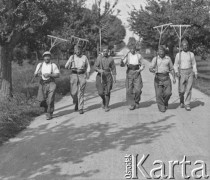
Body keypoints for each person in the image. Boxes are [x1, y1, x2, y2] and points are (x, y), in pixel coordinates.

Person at [149, 46, 176, 113]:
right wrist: (153, 70)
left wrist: (174, 77)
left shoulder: (168, 59)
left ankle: (165, 102)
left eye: (162, 51)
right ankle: (161, 107)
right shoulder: (155, 59)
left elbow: (172, 69)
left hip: (166, 78)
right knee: (158, 94)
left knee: (168, 93)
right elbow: (150, 68)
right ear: (157, 52)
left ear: (164, 51)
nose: (161, 53)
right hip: (158, 79)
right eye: (159, 51)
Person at [34, 51, 60, 120]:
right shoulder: (40, 65)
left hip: (51, 83)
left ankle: (49, 113)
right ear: (43, 57)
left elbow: (57, 75)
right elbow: (35, 75)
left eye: (48, 56)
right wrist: (37, 74)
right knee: (42, 100)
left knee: (50, 99)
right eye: (45, 56)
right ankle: (46, 110)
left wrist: (49, 74)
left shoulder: (53, 65)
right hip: (42, 84)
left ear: (50, 57)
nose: (47, 58)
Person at [65, 45, 90, 114]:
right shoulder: (72, 57)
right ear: (74, 51)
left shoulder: (84, 57)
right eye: (76, 50)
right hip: (74, 75)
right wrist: (70, 62)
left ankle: (81, 107)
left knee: (81, 92)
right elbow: (66, 66)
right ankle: (76, 101)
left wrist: (87, 72)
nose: (78, 51)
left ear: (81, 50)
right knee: (73, 92)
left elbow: (88, 66)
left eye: (79, 50)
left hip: (82, 75)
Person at [174, 40, 198, 111]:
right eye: (184, 45)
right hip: (182, 72)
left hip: (190, 72)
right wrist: (176, 72)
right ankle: (181, 100)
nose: (185, 47)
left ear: (188, 46)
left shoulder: (191, 54)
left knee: (189, 89)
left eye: (186, 45)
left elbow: (194, 64)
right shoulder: (178, 55)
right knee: (181, 90)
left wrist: (195, 72)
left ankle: (187, 104)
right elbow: (175, 65)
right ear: (181, 47)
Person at [120, 46, 145, 110]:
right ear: (129, 49)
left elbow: (143, 64)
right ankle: (132, 103)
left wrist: (140, 70)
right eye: (131, 49)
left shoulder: (139, 56)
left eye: (133, 49)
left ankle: (137, 101)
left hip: (137, 72)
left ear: (135, 49)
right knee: (129, 90)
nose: (132, 50)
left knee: (138, 90)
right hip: (129, 73)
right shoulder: (127, 56)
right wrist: (122, 60)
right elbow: (122, 65)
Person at [94, 46, 117, 112]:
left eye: (106, 51)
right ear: (102, 52)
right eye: (103, 51)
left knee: (107, 91)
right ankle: (103, 100)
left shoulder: (111, 58)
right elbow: (95, 67)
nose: (105, 52)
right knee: (100, 93)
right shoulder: (99, 58)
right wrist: (98, 70)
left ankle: (106, 106)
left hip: (108, 76)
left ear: (108, 51)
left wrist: (114, 77)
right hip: (100, 76)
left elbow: (113, 68)